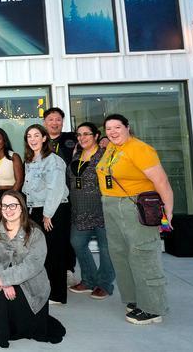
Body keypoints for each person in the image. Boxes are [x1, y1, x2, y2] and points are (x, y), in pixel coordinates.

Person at [95, 114, 174, 325]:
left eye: (117, 127)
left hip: (135, 206)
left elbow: (162, 182)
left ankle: (152, 308)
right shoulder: (112, 147)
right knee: (120, 254)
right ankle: (136, 299)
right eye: (109, 128)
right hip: (112, 205)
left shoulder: (140, 149)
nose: (113, 132)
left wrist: (167, 215)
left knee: (143, 255)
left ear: (127, 127)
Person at [0, 191, 66, 347]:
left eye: (13, 205)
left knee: (34, 323)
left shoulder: (35, 233)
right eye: (4, 205)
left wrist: (7, 278)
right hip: (0, 277)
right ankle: (4, 329)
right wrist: (3, 282)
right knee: (1, 293)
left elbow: (33, 264)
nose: (8, 209)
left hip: (31, 280)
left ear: (22, 207)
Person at [22, 124, 70, 305]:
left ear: (44, 138)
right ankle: (44, 288)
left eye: (36, 135)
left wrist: (48, 214)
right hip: (36, 210)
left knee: (55, 253)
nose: (33, 139)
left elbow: (55, 189)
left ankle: (57, 295)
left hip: (53, 210)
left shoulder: (53, 160)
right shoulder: (30, 160)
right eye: (29, 136)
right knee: (40, 252)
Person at [67, 122, 115, 300]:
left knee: (105, 249)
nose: (82, 138)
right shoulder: (76, 154)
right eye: (79, 135)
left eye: (87, 134)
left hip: (102, 208)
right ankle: (88, 280)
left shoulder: (105, 154)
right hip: (79, 209)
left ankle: (104, 284)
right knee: (77, 243)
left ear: (96, 136)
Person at [43, 107, 78, 286]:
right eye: (51, 119)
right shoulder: (40, 140)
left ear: (62, 122)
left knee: (67, 234)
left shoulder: (71, 139)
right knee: (50, 235)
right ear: (45, 122)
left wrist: (103, 141)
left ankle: (68, 269)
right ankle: (51, 270)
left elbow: (92, 141)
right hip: (46, 196)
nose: (54, 123)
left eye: (58, 119)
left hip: (67, 196)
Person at [0, 127, 24, 218]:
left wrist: (4, 201)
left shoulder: (14, 157)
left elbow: (19, 181)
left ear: (4, 140)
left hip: (11, 194)